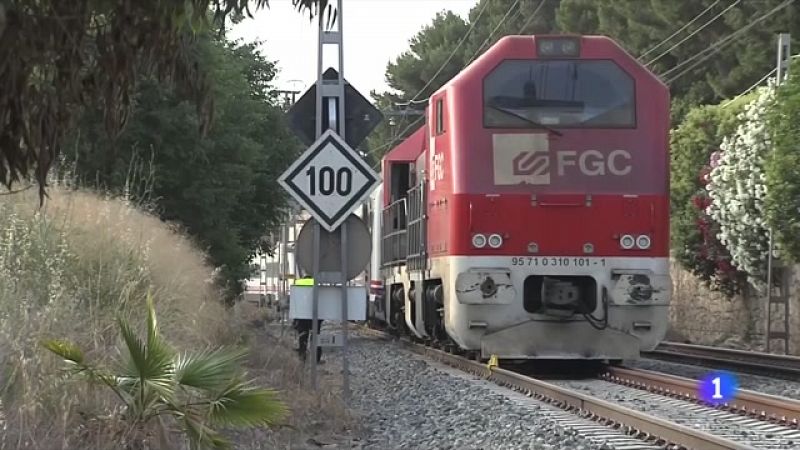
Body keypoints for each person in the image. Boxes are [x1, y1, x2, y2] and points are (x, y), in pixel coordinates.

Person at [293, 276, 323, 363]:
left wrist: (295, 319)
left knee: (302, 338)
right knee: (316, 337)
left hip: (302, 315)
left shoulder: (298, 283)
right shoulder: (317, 283)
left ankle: (302, 358)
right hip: (315, 316)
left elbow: (295, 301)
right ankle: (316, 359)